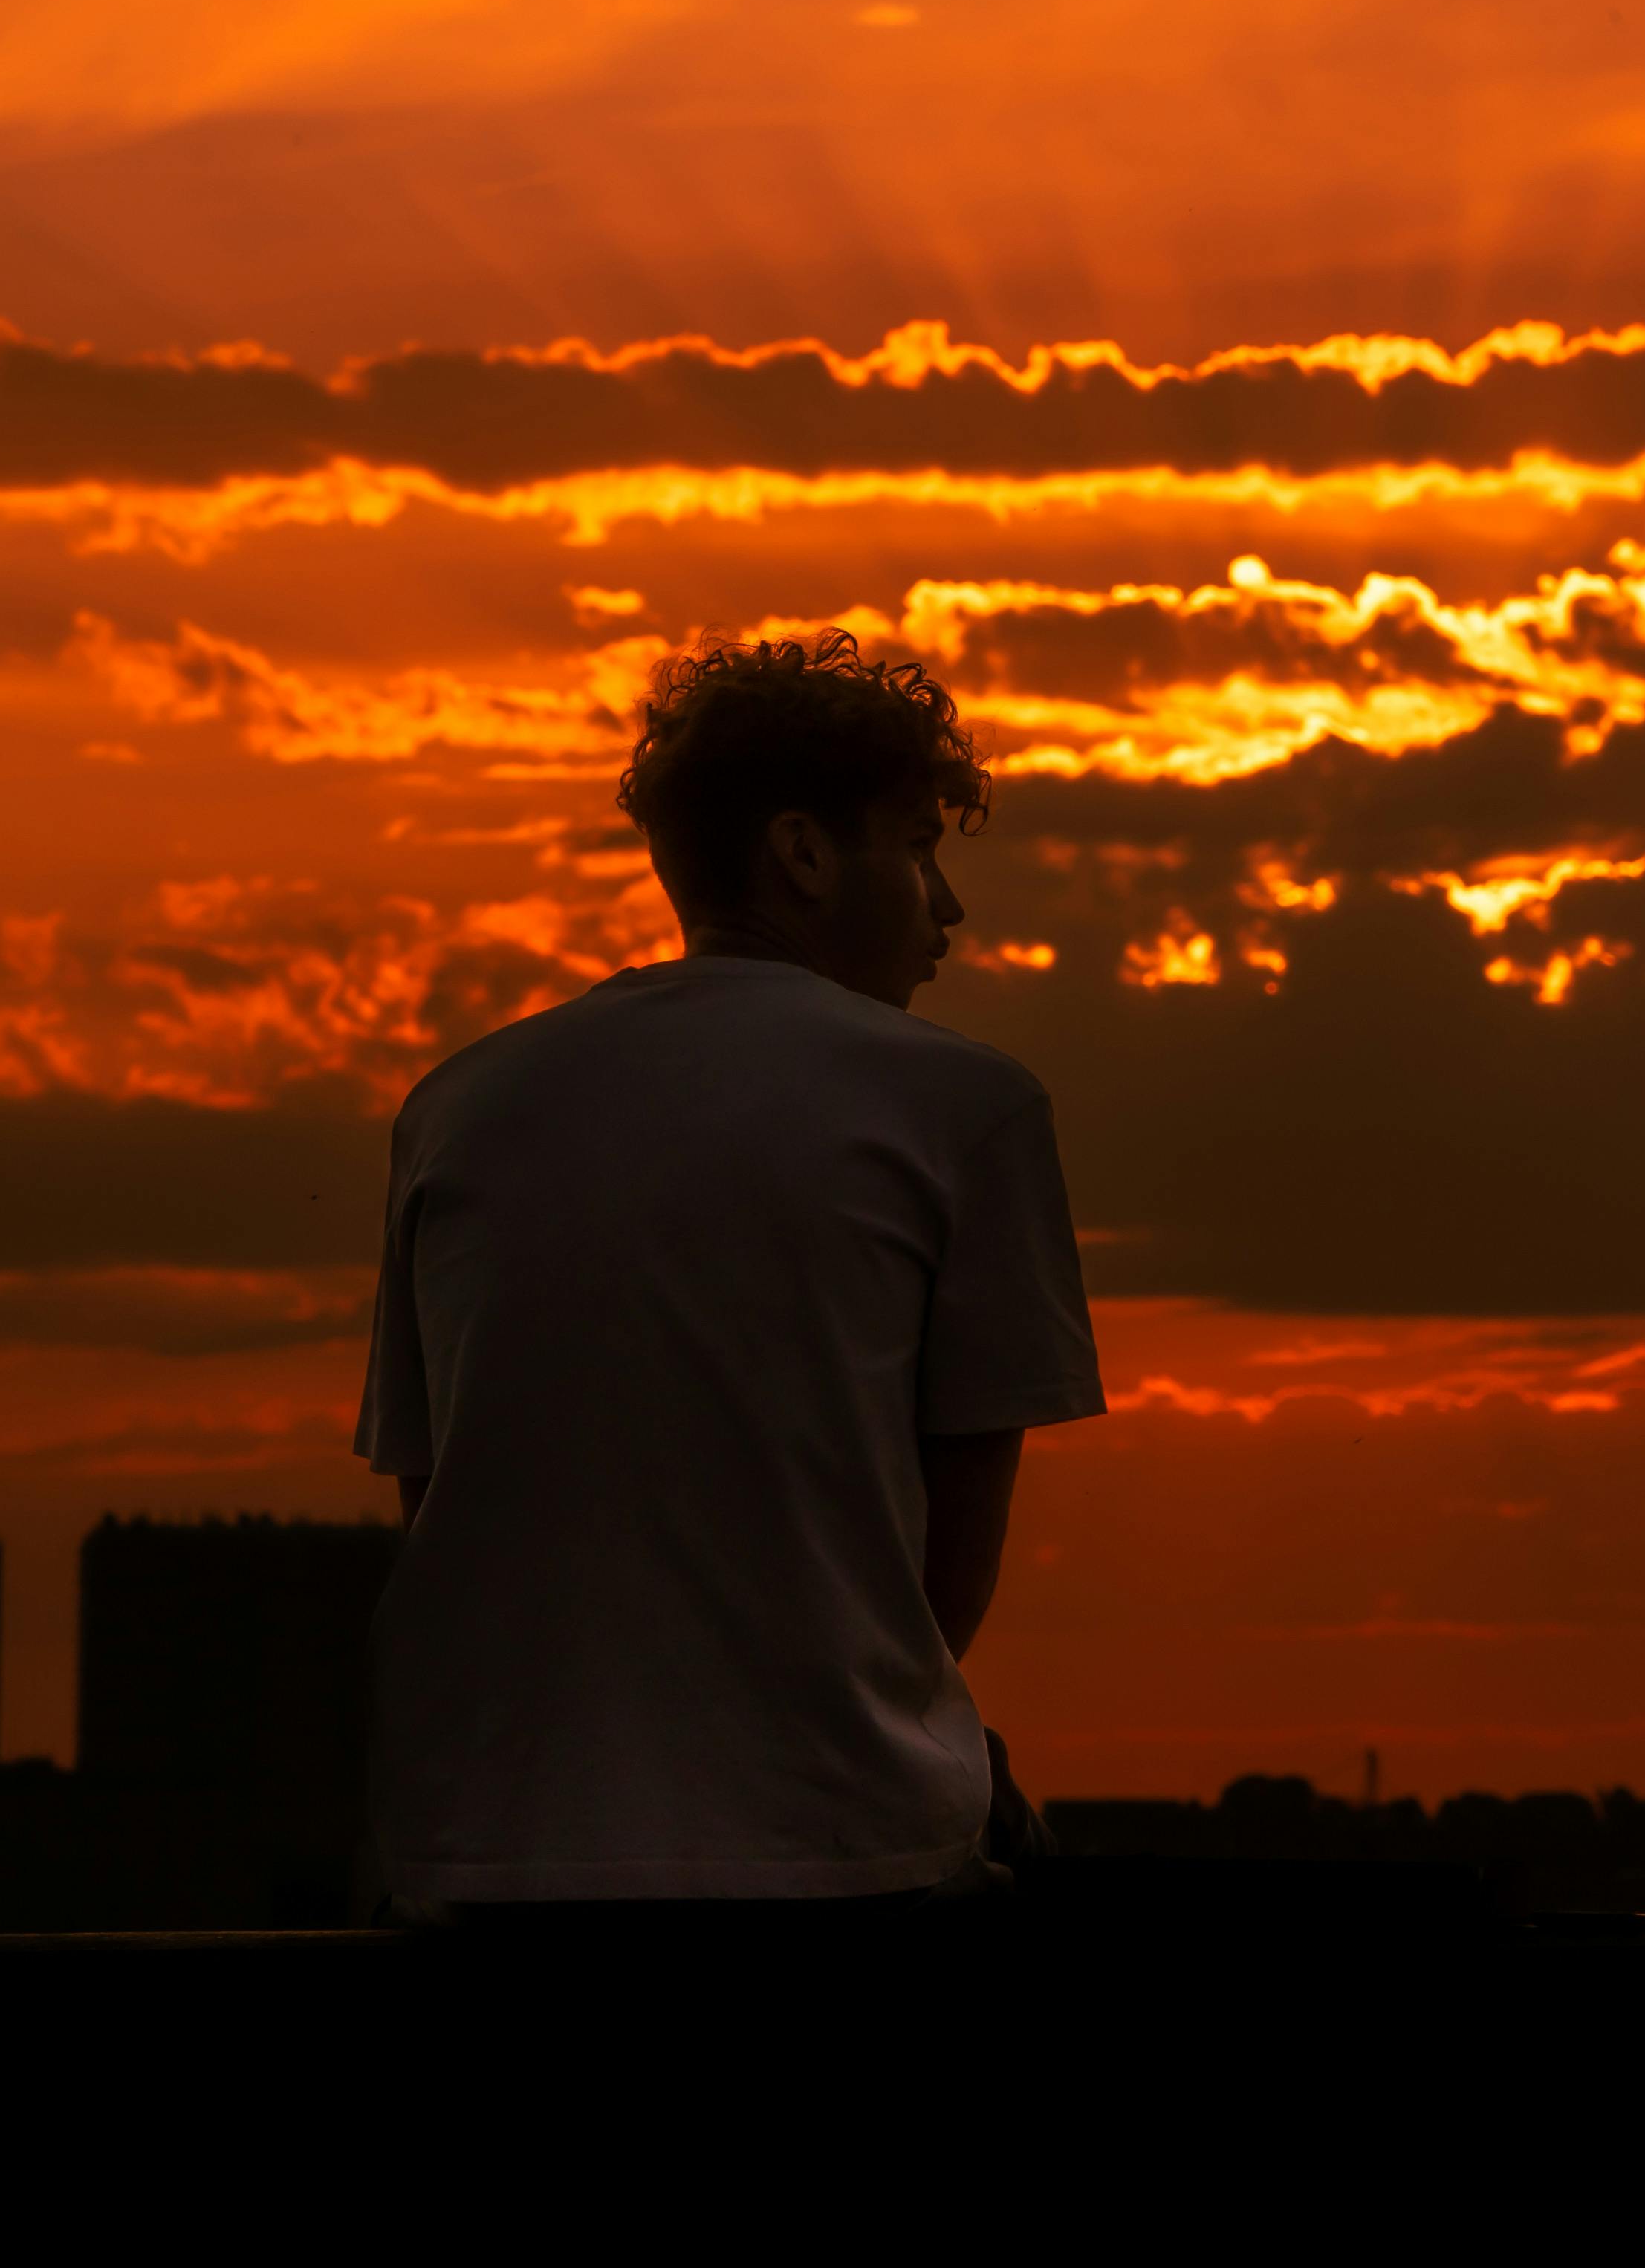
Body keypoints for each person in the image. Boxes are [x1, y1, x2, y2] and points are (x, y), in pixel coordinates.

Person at [354, 631, 1104, 1914]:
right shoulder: (964, 1107)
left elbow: (438, 1503)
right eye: (919, 846)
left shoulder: (457, 1106)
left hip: (481, 1850)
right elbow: (942, 1581)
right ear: (804, 853)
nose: (950, 908)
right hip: (835, 1850)